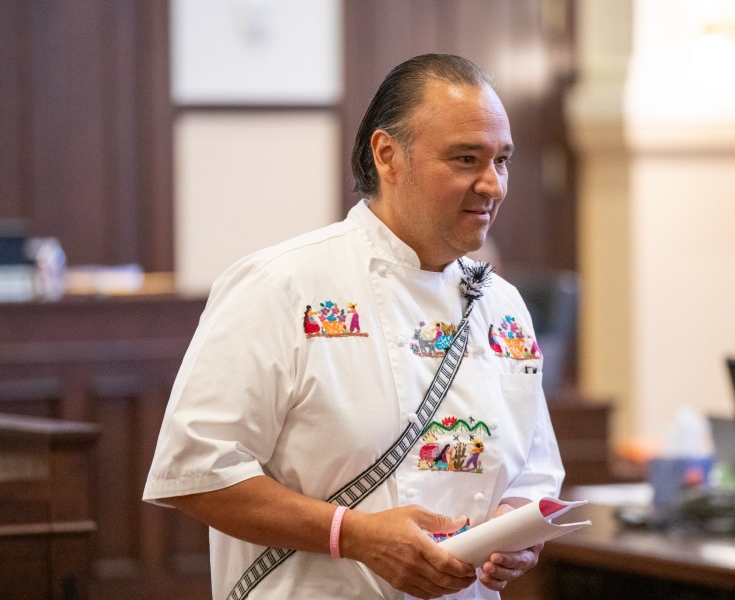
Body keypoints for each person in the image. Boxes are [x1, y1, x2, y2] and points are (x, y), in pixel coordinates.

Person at [143, 53, 564, 600]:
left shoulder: (504, 306)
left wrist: (516, 531)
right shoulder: (281, 284)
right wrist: (354, 535)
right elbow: (195, 471)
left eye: (501, 161)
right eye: (466, 159)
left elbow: (534, 470)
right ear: (388, 155)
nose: (493, 185)